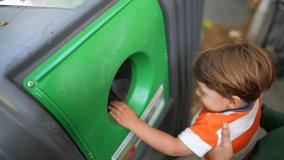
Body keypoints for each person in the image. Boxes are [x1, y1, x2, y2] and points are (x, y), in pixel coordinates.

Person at [109, 41, 275, 159]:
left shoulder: (212, 128)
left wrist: (134, 123)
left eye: (203, 92)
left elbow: (174, 148)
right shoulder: (255, 94)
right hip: (245, 149)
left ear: (233, 102)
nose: (196, 92)